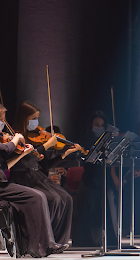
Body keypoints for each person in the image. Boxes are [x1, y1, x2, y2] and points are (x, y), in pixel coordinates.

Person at [9, 101, 81, 246]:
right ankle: (44, 240)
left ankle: (59, 240)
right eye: (33, 118)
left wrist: (64, 154)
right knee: (53, 199)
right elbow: (27, 157)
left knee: (66, 198)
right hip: (23, 176)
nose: (36, 122)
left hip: (37, 176)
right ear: (24, 118)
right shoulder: (16, 136)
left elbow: (45, 165)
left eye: (37, 118)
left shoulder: (35, 136)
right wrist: (46, 145)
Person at [0, 104, 67, 257]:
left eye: (3, 120)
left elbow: (4, 166)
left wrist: (23, 154)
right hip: (1, 186)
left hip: (2, 183)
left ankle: (38, 245)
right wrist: (16, 138)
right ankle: (42, 244)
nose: (3, 125)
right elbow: (6, 150)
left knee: (38, 196)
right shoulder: (6, 142)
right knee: (38, 196)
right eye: (1, 120)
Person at [72, 110, 118, 247]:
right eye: (96, 124)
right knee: (89, 198)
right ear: (90, 125)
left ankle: (111, 240)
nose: (99, 127)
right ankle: (87, 240)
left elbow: (112, 161)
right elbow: (85, 162)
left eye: (102, 125)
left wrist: (114, 175)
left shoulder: (109, 141)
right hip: (89, 180)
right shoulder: (84, 140)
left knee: (109, 196)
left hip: (104, 178)